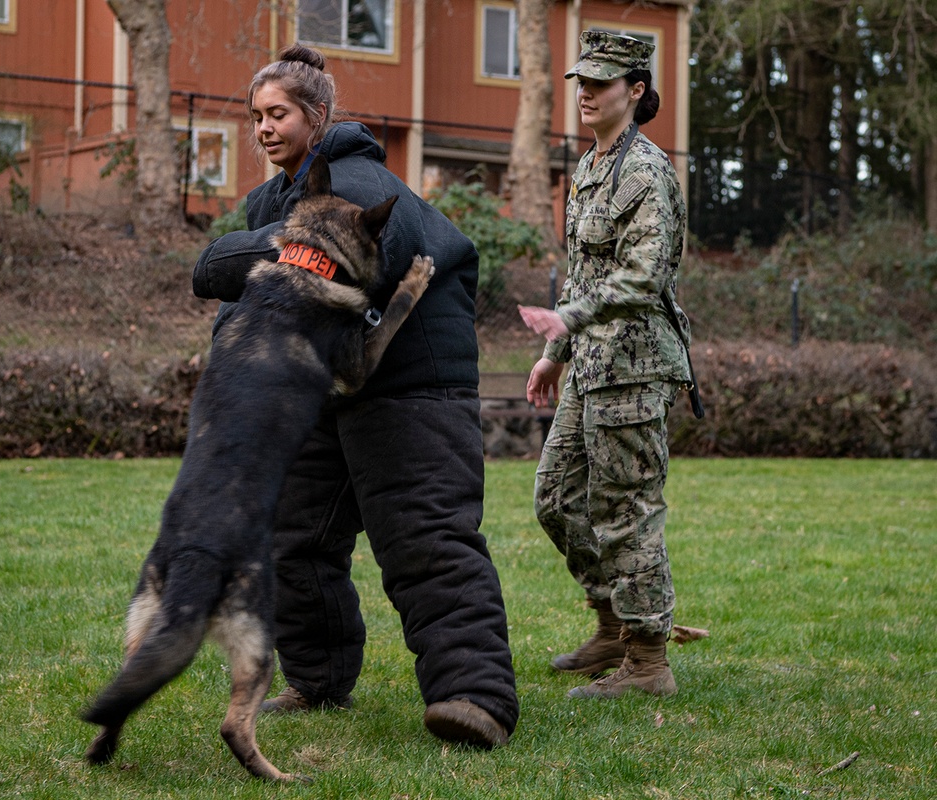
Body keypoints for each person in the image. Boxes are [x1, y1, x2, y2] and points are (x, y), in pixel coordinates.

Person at [191, 43, 519, 747]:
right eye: (254, 116)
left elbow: (345, 259)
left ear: (316, 115)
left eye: (277, 113)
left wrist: (250, 255)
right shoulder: (269, 200)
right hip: (322, 391)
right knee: (294, 538)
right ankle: (319, 679)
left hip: (411, 386)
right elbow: (225, 284)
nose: (262, 128)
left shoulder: (359, 176)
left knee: (425, 538)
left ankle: (474, 698)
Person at [518, 31, 692, 699]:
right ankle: (613, 626)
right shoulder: (591, 165)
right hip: (589, 363)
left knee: (626, 511)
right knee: (556, 499)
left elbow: (643, 279)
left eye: (601, 82)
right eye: (581, 82)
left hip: (634, 366)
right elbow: (587, 271)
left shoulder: (646, 171)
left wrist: (570, 320)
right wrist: (555, 351)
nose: (586, 93)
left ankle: (648, 664)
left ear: (637, 90)